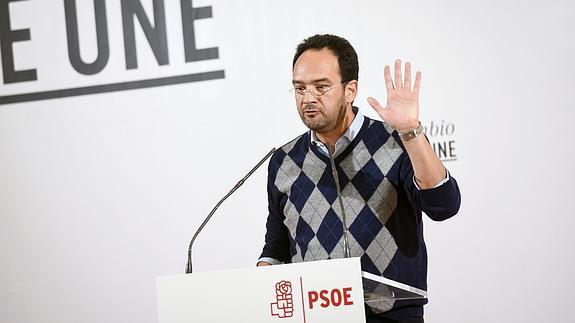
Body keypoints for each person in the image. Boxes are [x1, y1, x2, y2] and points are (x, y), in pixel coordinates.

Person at [257, 34, 461, 323]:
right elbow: (277, 246)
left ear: (350, 89)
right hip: (315, 316)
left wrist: (410, 131)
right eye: (299, 88)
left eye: (321, 86)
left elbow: (444, 204)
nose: (308, 98)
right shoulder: (284, 160)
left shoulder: (396, 141)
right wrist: (259, 283)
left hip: (390, 315)